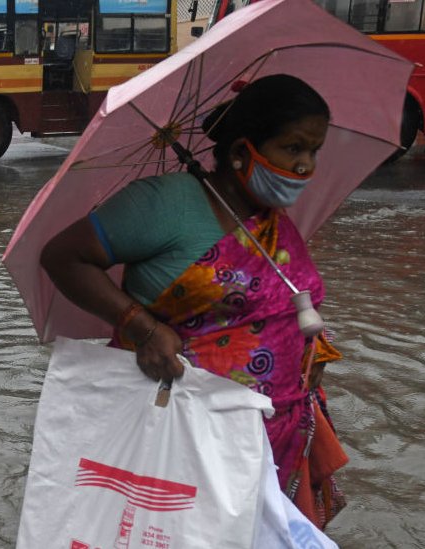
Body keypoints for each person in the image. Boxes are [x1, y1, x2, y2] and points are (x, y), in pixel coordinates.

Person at [40, 74, 348, 528]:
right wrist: (142, 328)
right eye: (293, 148)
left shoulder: (272, 220)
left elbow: (283, 305)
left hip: (280, 431)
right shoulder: (166, 204)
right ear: (243, 150)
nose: (305, 166)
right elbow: (63, 257)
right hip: (189, 436)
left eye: (314, 151)